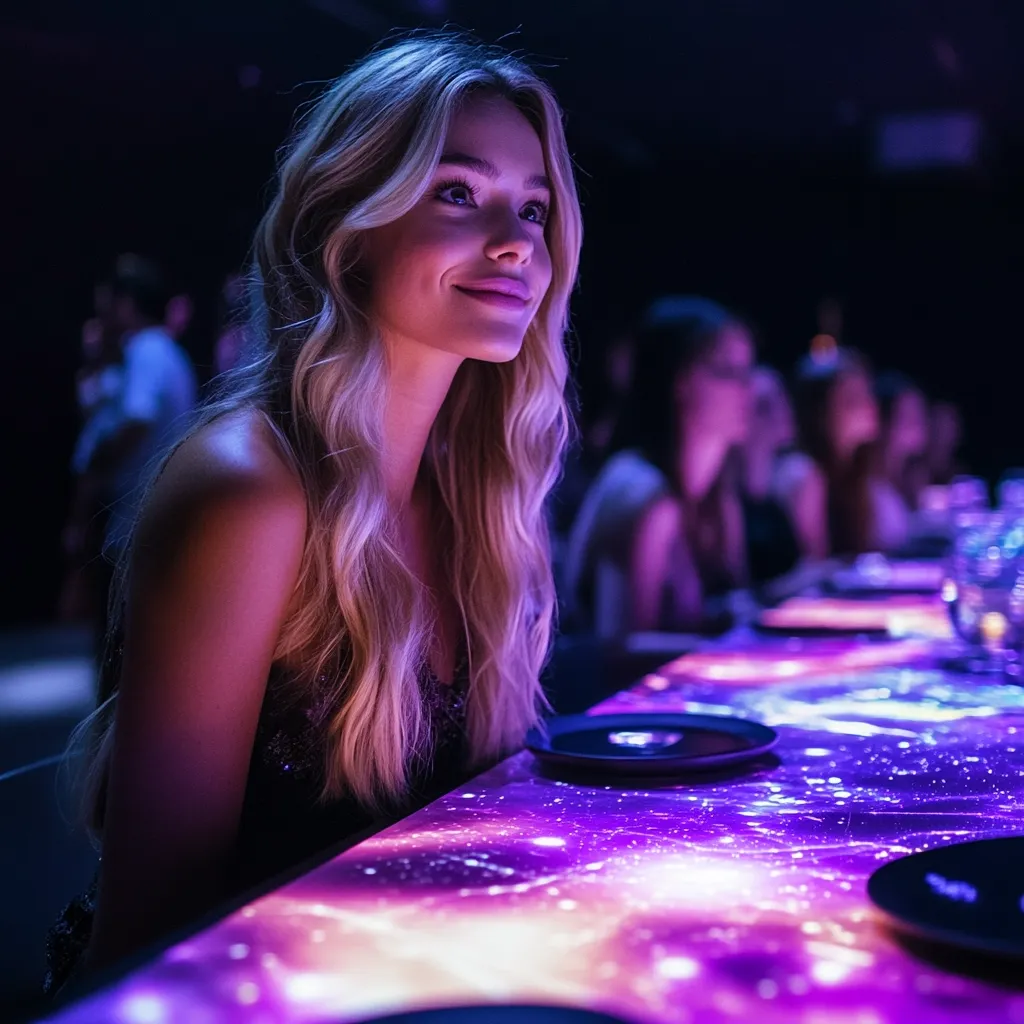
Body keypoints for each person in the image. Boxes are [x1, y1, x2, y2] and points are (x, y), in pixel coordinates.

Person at [47, 32, 582, 996]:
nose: (516, 241)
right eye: (458, 191)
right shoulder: (249, 492)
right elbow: (154, 928)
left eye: (534, 208)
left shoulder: (477, 493)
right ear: (347, 221)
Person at [564, 297, 753, 637]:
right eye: (728, 372)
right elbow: (620, 654)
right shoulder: (641, 492)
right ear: (679, 382)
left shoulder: (718, 497)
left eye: (747, 371)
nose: (746, 389)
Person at [777, 346, 881, 558]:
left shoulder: (853, 472)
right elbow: (815, 566)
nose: (869, 406)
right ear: (820, 412)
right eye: (853, 398)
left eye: (867, 393)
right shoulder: (802, 473)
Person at [741, 365, 801, 583]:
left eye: (782, 399)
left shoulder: (781, 489)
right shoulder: (728, 497)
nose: (782, 411)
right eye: (765, 406)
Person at [873, 371, 929, 551]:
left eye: (920, 413)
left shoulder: (908, 477)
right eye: (909, 416)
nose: (919, 423)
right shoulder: (871, 485)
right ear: (883, 422)